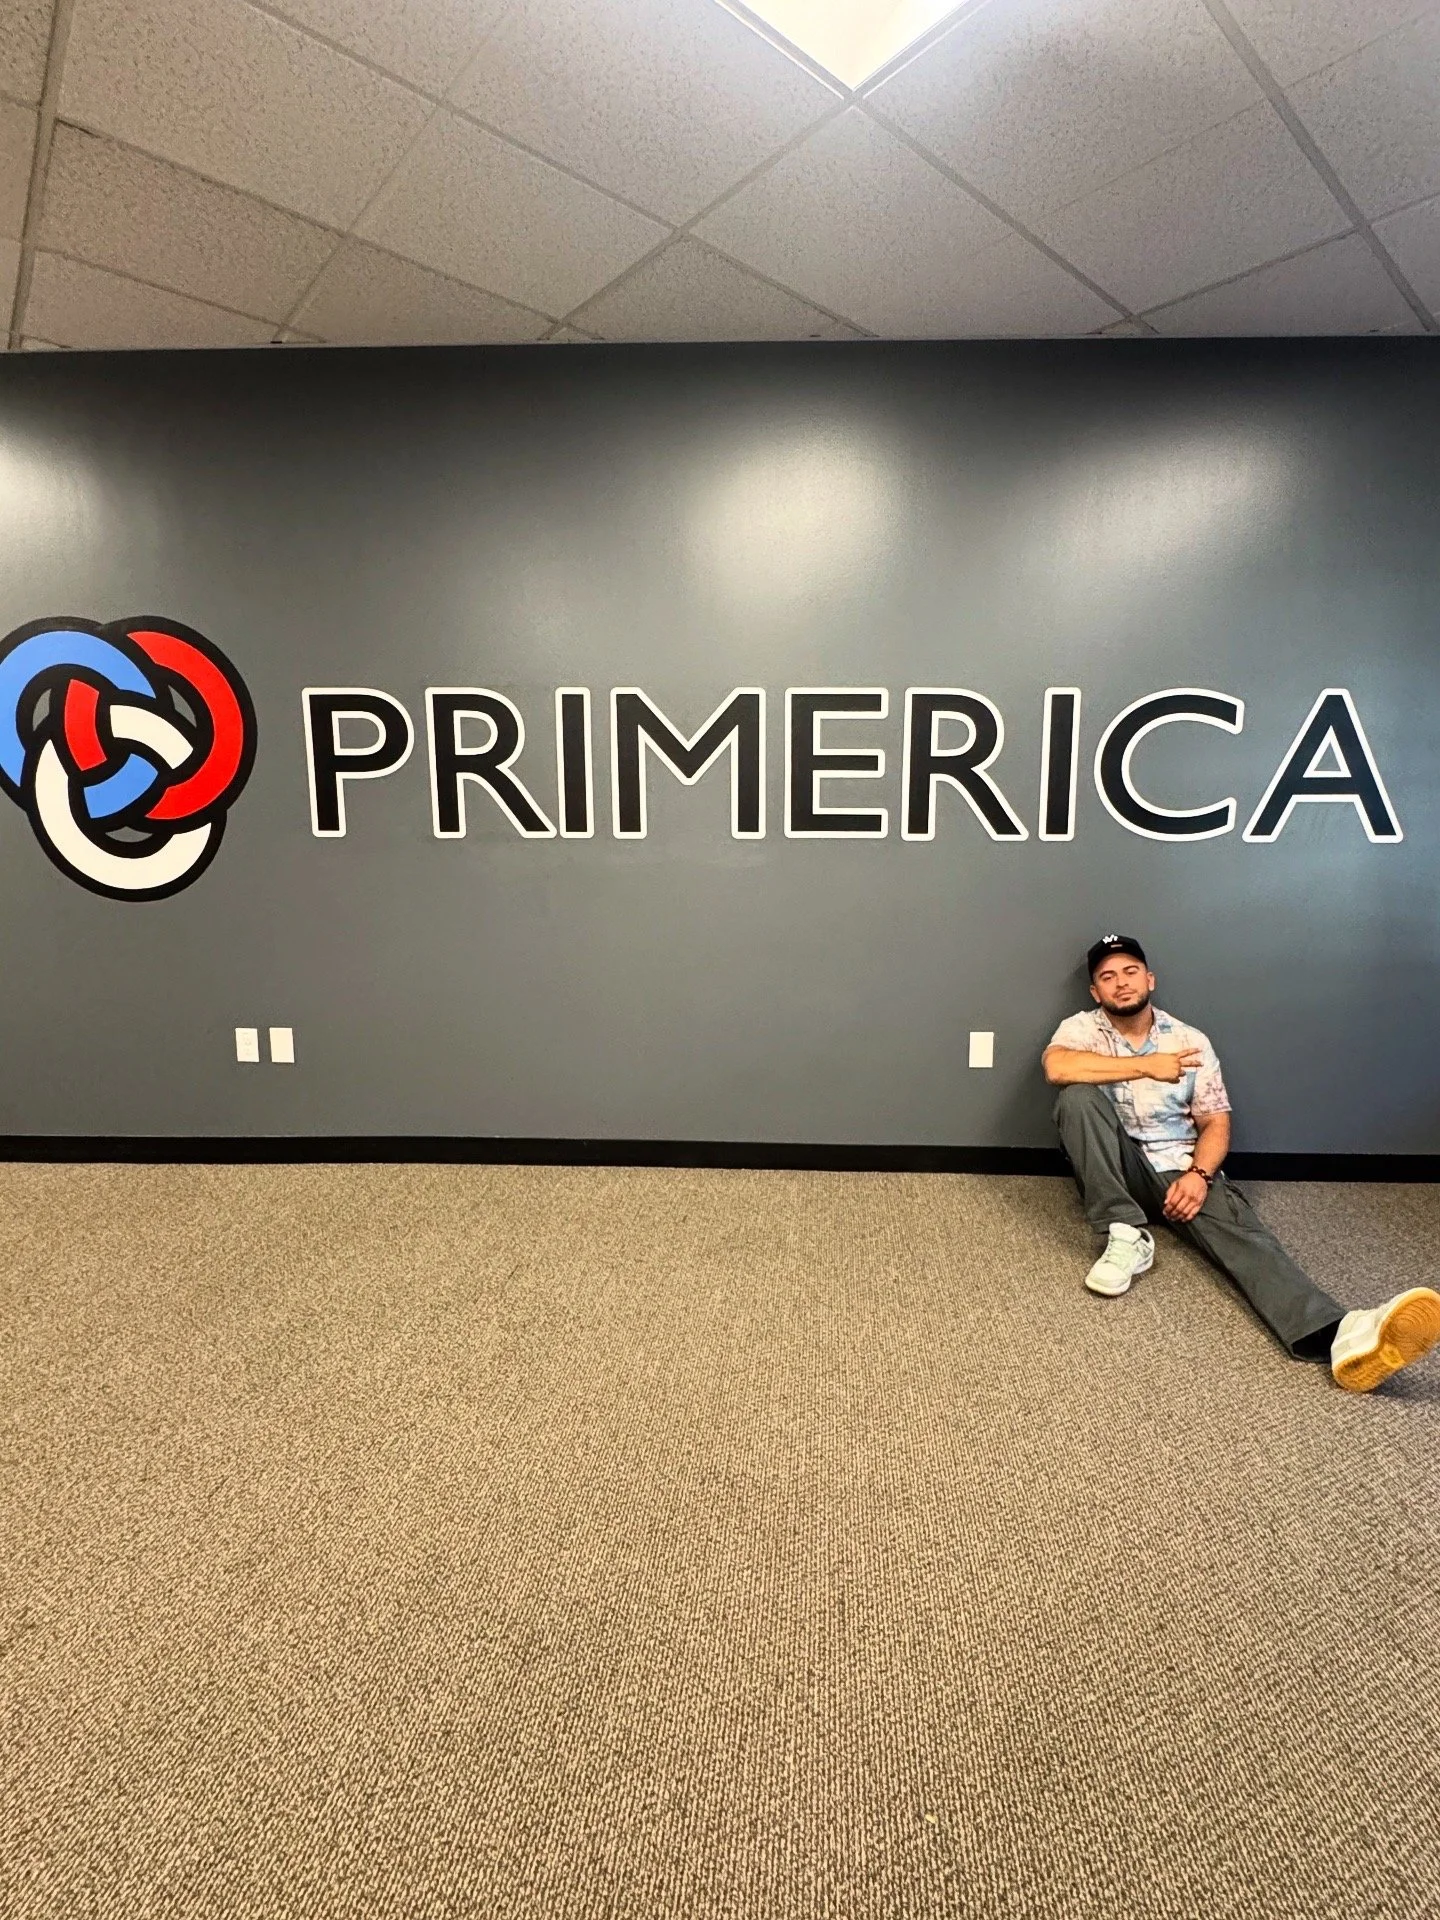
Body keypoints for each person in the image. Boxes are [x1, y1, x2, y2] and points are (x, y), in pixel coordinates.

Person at [1042, 933, 1440, 1392]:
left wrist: (1199, 1175)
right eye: (1108, 977)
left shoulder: (1190, 1040)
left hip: (1178, 1167)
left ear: (1149, 979)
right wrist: (1148, 1065)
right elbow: (1057, 1068)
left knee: (1247, 1237)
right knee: (1076, 1098)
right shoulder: (1081, 1029)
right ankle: (1124, 1232)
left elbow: (1215, 1122)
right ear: (1096, 992)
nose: (1121, 983)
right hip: (1114, 1169)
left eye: (1130, 971)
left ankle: (1339, 1335)